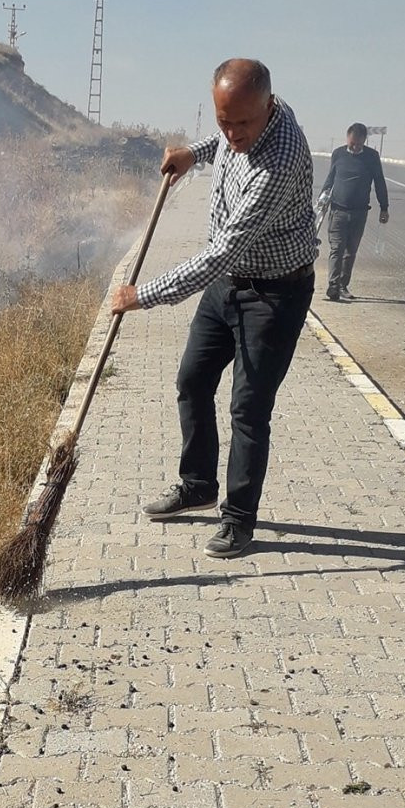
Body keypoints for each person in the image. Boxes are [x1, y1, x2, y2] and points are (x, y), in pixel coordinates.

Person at [110, 57, 316, 559]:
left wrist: (144, 295)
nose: (233, 133)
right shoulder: (240, 121)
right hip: (226, 285)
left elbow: (222, 250)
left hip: (275, 293)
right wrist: (193, 153)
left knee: (248, 408)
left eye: (243, 123)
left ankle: (239, 520)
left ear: (269, 106)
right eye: (223, 121)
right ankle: (198, 485)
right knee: (192, 379)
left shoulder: (279, 161)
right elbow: (222, 142)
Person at [320, 123, 389, 301]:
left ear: (364, 141)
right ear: (347, 139)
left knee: (350, 251)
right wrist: (323, 198)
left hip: (359, 212)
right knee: (337, 248)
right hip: (338, 210)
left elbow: (379, 182)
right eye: (352, 144)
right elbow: (330, 178)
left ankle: (343, 285)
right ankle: (333, 286)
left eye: (359, 144)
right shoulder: (338, 154)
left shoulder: (372, 157)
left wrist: (384, 207)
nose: (355, 147)